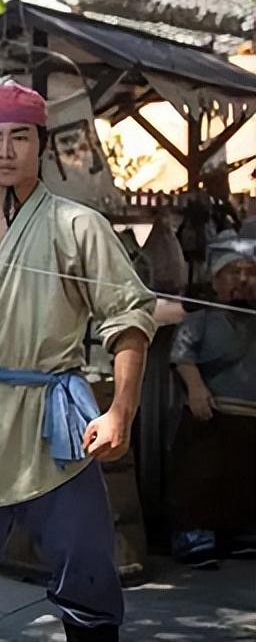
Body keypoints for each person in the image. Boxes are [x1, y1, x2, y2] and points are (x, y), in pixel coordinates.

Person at [0, 82, 157, 642]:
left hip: (56, 423)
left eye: (20, 137)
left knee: (88, 566)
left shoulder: (77, 224)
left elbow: (130, 317)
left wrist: (121, 412)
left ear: (43, 145)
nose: (5, 151)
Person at [168, 233, 256, 568]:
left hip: (249, 416)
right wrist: (195, 388)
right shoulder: (202, 319)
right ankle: (195, 533)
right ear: (217, 280)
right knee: (202, 474)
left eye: (250, 272)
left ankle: (239, 532)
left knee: (244, 476)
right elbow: (182, 354)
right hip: (211, 412)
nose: (243, 280)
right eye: (234, 272)